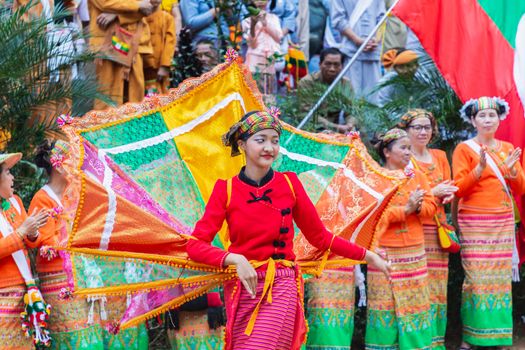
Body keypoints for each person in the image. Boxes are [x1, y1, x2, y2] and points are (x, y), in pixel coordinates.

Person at [186, 109, 390, 349]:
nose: (269, 148)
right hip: (242, 287)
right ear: (241, 144)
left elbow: (320, 237)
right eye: (260, 140)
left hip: (280, 284)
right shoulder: (225, 190)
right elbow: (195, 246)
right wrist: (234, 259)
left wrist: (368, 256)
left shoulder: (290, 184)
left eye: (274, 141)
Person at [452, 96, 525, 350]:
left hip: (502, 220)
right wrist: (480, 168)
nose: (487, 119)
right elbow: (459, 188)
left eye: (492, 115)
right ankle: (470, 337)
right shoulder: (464, 149)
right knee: (475, 278)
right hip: (473, 221)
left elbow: (521, 186)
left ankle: (501, 336)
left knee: (500, 279)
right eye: (482, 116)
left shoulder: (507, 148)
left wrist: (511, 170)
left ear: (499, 119)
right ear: (473, 120)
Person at [366, 128, 437, 349]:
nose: (409, 153)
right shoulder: (374, 177)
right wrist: (405, 210)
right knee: (383, 303)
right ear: (387, 152)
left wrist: (417, 209)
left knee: (415, 301)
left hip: (413, 249)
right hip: (383, 251)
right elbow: (371, 216)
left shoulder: (417, 176)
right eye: (403, 148)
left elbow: (432, 207)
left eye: (409, 148)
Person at [29, 141, 104, 349]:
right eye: (71, 160)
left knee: (92, 334)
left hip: (84, 275)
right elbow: (45, 240)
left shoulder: (76, 193)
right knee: (74, 337)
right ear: (58, 165)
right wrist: (75, 236)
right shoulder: (41, 199)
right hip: (59, 278)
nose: (75, 165)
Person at [397, 109, 458, 349]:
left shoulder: (440, 156)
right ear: (406, 131)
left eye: (427, 127)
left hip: (438, 229)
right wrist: (435, 192)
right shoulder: (403, 158)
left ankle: (436, 341)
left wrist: (445, 194)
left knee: (437, 286)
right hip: (414, 230)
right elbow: (402, 196)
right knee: (416, 286)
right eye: (417, 127)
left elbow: (450, 188)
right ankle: (418, 341)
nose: (423, 132)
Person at [0, 152, 50, 349]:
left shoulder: (15, 202)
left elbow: (31, 242)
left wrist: (32, 233)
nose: (12, 177)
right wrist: (22, 232)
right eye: (8, 172)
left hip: (25, 289)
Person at [88, 0, 156, 109]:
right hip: (107, 44)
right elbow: (104, 3)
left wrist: (117, 14)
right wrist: (137, 5)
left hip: (135, 44)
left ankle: (133, 125)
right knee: (107, 99)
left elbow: (151, 5)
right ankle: (108, 126)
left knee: (135, 98)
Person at [330, 0, 385, 103]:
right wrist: (357, 40)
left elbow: (382, 19)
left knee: (374, 97)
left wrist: (376, 40)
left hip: (372, 52)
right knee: (351, 98)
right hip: (351, 52)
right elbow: (338, 19)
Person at [298, 47, 354, 133]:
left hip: (336, 132)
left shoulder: (345, 84)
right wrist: (335, 127)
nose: (332, 69)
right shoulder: (307, 82)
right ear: (320, 64)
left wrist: (350, 125)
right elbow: (306, 114)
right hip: (310, 130)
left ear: (342, 66)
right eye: (328, 64)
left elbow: (351, 111)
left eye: (336, 65)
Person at [242, 0, 283, 94]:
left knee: (269, 96)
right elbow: (252, 44)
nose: (260, 1)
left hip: (269, 63)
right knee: (253, 96)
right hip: (253, 64)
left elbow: (279, 37)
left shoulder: (274, 18)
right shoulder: (247, 20)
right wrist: (253, 25)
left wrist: (265, 23)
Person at [144, 1, 176, 95]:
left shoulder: (167, 18)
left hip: (159, 69)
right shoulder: (139, 18)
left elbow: (170, 43)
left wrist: (165, 65)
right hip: (142, 68)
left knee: (161, 96)